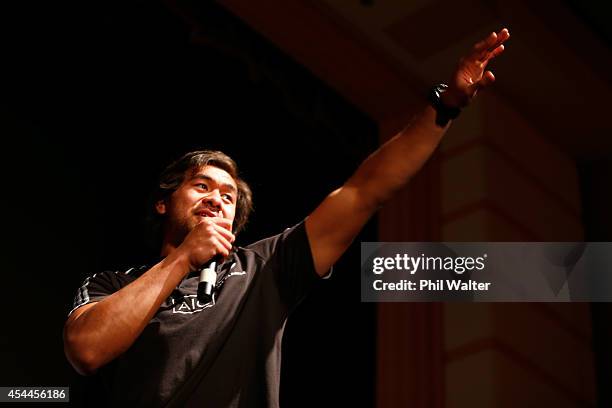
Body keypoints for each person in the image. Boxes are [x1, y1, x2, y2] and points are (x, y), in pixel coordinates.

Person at [63, 28, 510, 407]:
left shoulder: (265, 269)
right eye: (201, 186)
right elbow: (87, 350)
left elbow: (363, 192)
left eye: (228, 196)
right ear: (164, 202)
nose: (217, 199)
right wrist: (181, 260)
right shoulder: (112, 285)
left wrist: (445, 104)